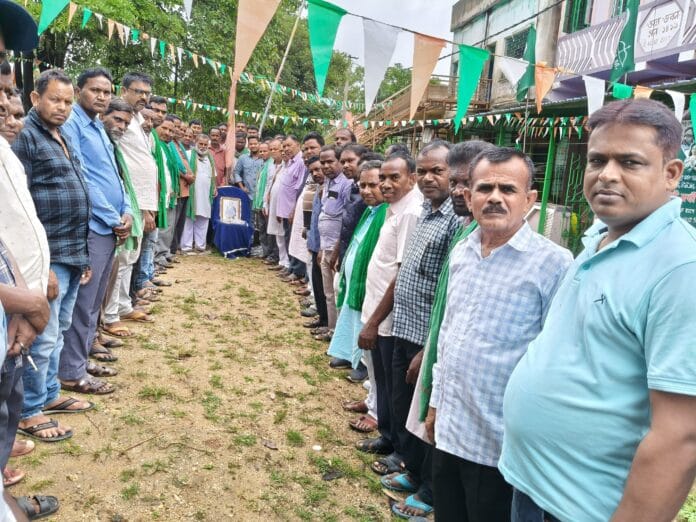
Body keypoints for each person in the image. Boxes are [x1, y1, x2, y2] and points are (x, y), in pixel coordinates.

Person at [500, 99, 696, 522]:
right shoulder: (601, 237)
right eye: (597, 160)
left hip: (582, 509)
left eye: (629, 162)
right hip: (533, 486)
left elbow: (681, 436)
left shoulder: (681, 268)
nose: (607, 174)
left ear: (671, 174)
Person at [424, 147, 572, 521]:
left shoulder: (554, 264)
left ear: (529, 199)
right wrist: (436, 404)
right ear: (468, 195)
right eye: (484, 188)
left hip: (502, 447)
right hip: (451, 431)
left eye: (507, 189)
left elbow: (558, 362)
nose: (494, 198)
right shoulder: (463, 251)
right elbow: (449, 336)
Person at [11, 69, 94, 441]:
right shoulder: (25, 136)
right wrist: (40, 266)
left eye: (67, 102)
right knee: (41, 336)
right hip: (47, 254)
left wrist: (84, 255)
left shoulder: (63, 135)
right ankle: (29, 411)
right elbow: (19, 206)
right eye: (55, 99)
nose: (62, 107)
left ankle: (48, 394)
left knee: (59, 330)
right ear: (35, 98)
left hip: (73, 250)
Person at [382, 141, 460, 519]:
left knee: (429, 418)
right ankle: (412, 471)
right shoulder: (426, 212)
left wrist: (428, 349)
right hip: (405, 325)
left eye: (438, 171)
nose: (429, 178)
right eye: (424, 171)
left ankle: (429, 489)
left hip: (426, 337)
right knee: (405, 408)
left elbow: (447, 291)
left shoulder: (455, 220)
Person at [60, 67, 132, 393]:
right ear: (79, 92)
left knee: (95, 301)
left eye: (106, 91)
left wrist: (126, 210)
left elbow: (115, 175)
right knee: (83, 302)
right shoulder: (73, 124)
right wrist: (113, 217)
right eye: (95, 90)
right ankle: (70, 372)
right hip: (93, 226)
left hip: (110, 225)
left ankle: (82, 358)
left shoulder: (98, 127)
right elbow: (82, 176)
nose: (102, 97)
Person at [356, 152, 424, 458]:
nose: (385, 184)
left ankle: (395, 443)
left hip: (388, 318)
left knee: (391, 385)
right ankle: (386, 434)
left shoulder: (410, 213)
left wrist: (373, 322)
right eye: (382, 177)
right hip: (377, 311)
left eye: (394, 177)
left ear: (411, 179)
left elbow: (401, 274)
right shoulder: (394, 209)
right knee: (382, 381)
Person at [328, 160, 386, 433]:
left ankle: (377, 411)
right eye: (362, 185)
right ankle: (371, 401)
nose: (366, 190)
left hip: (373, 297)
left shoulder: (387, 214)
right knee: (369, 358)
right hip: (358, 292)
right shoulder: (370, 211)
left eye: (373, 185)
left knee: (374, 359)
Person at [101, 98, 144, 340]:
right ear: (102, 116)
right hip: (105, 220)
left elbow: (120, 182)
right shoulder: (97, 140)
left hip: (122, 216)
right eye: (117, 119)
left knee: (121, 266)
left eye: (126, 123)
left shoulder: (112, 144)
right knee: (105, 275)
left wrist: (127, 211)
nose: (122, 126)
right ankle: (106, 320)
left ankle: (112, 315)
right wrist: (114, 217)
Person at [117, 72, 159, 309]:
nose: (144, 97)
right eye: (138, 92)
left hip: (143, 199)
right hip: (129, 199)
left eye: (147, 93)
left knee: (132, 256)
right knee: (123, 257)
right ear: (123, 91)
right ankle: (117, 309)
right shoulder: (120, 118)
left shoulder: (139, 121)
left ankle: (125, 303)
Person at [315, 145, 353, 341]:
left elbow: (346, 219)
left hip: (336, 249)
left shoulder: (346, 184)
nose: (326, 166)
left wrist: (337, 250)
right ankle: (331, 329)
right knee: (328, 292)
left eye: (330, 161)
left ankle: (338, 335)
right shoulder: (328, 182)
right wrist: (322, 248)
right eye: (323, 162)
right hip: (326, 245)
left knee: (337, 293)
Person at [275, 136, 306, 278]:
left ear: (298, 144)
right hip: (285, 209)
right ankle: (290, 266)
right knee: (288, 238)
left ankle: (297, 270)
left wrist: (294, 210)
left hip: (293, 209)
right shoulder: (289, 162)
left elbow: (299, 188)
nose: (286, 149)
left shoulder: (300, 162)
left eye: (289, 145)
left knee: (295, 240)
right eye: (284, 146)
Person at [182, 134, 216, 253]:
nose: (203, 146)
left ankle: (200, 246)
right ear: (195, 143)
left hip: (205, 194)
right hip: (191, 193)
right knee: (188, 219)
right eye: (200, 144)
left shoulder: (210, 158)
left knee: (203, 219)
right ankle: (186, 246)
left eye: (205, 144)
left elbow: (213, 176)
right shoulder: (188, 154)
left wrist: (214, 187)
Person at [251, 141, 277, 261]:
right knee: (261, 228)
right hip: (259, 202)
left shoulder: (272, 165)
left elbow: (268, 184)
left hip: (266, 202)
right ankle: (265, 251)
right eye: (260, 151)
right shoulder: (263, 164)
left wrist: (265, 202)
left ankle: (271, 253)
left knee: (268, 229)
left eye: (265, 151)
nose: (262, 153)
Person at [234, 135, 263, 202]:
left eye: (255, 144)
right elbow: (236, 173)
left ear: (259, 144)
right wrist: (242, 187)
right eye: (251, 144)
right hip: (247, 195)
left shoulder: (264, 159)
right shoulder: (243, 158)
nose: (253, 146)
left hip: (261, 195)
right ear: (248, 145)